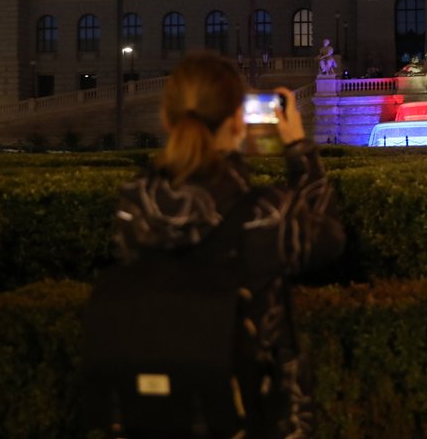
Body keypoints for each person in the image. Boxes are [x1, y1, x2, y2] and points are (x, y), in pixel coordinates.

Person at [113, 52, 345, 439]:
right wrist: (300, 149)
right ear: (239, 123)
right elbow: (330, 239)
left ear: (167, 120)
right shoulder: (267, 212)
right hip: (252, 413)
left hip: (161, 411)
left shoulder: (132, 208)